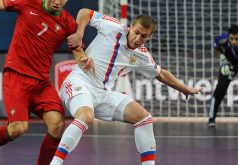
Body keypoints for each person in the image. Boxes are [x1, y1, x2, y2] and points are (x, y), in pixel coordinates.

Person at [0, 0, 94, 165]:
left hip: (42, 83)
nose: (58, 2)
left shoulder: (69, 23)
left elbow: (78, 53)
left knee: (57, 124)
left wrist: (84, 61)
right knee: (18, 128)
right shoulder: (28, 3)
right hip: (17, 76)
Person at [49, 8, 203, 165]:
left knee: (144, 118)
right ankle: (54, 163)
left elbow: (161, 74)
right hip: (79, 82)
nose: (137, 38)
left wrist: (185, 89)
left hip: (102, 93)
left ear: (149, 37)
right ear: (130, 27)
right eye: (136, 32)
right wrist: (80, 33)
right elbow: (84, 12)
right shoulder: (113, 27)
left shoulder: (142, 55)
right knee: (86, 117)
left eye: (143, 36)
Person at [208, 25, 238, 127]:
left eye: (237, 39)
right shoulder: (222, 39)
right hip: (230, 64)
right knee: (220, 91)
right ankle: (211, 118)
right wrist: (222, 58)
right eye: (232, 39)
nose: (234, 41)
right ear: (228, 37)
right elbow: (216, 44)